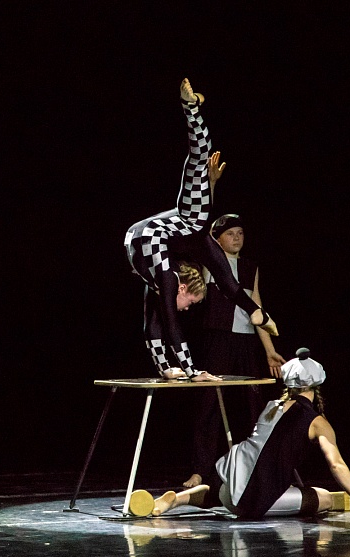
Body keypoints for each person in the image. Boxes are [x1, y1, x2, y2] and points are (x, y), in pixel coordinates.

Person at [124, 79, 278, 381]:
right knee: (199, 163)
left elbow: (154, 322)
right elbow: (169, 321)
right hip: (154, 234)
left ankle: (256, 313)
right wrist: (193, 371)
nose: (187, 309)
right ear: (182, 288)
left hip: (158, 235)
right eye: (191, 303)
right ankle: (191, 109)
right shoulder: (169, 277)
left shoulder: (165, 271)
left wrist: (167, 369)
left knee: (218, 267)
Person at [152, 349, 350, 523]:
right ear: (316, 385)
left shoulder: (272, 406)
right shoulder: (317, 422)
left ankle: (178, 500)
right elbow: (336, 464)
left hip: (227, 484)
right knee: (325, 498)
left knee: (231, 492)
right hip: (251, 501)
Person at [183, 214, 286, 487]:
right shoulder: (209, 264)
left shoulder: (250, 267)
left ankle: (258, 466)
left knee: (253, 404)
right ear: (217, 239)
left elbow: (257, 306)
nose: (237, 238)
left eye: (240, 233)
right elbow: (200, 235)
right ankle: (200, 470)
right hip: (218, 340)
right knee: (209, 405)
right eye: (230, 233)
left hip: (246, 342)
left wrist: (269, 350)